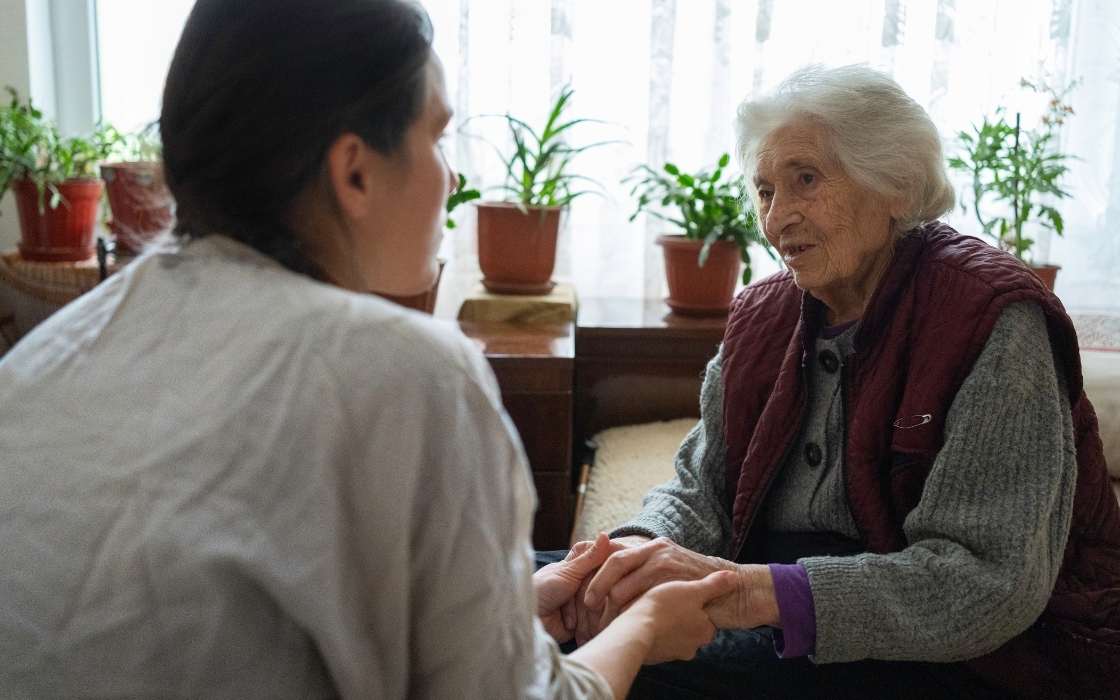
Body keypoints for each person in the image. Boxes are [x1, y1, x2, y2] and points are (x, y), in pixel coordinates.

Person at [0, 1, 736, 697]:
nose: (452, 177)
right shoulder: (407, 372)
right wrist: (644, 627)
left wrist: (506, 609)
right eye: (437, 139)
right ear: (354, 171)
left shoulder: (51, 351)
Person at [565, 65, 1120, 698]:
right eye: (765, 191)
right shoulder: (762, 315)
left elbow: (983, 582)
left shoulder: (991, 318)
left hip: (964, 654)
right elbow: (701, 488)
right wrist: (630, 556)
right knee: (520, 599)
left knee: (616, 664)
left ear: (896, 185)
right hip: (777, 599)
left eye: (805, 179)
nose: (777, 218)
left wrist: (747, 592)